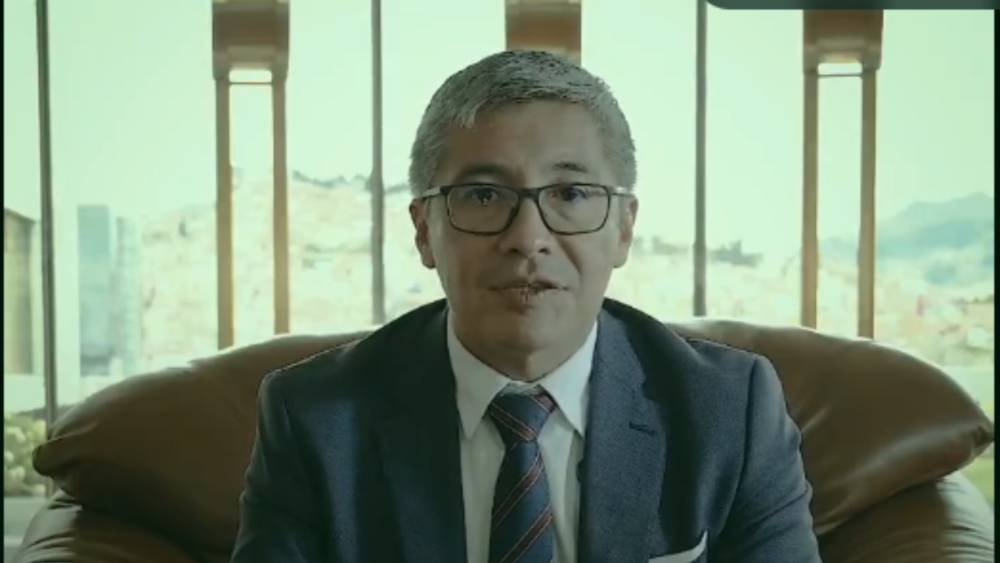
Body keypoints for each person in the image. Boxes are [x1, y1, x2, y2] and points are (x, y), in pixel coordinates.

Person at [231, 50, 821, 563]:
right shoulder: (314, 419)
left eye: (570, 194)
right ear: (424, 230)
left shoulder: (729, 412)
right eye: (484, 195)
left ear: (623, 228)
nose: (528, 238)